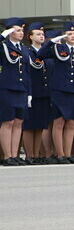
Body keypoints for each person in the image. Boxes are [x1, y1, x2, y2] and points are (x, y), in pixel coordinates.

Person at [1, 18, 30, 165]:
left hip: (21, 89)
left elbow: (27, 71)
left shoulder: (24, 48)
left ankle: (14, 154)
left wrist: (29, 92)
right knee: (8, 122)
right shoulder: (4, 46)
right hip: (7, 88)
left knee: (18, 122)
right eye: (17, 30)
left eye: (21, 30)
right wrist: (2, 36)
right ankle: (7, 156)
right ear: (10, 31)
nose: (21, 33)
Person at [22, 23, 50, 164]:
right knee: (29, 125)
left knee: (40, 125)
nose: (41, 36)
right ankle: (30, 155)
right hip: (32, 92)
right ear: (30, 37)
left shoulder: (45, 53)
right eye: (38, 34)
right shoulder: (28, 52)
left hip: (44, 92)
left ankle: (37, 154)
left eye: (42, 34)